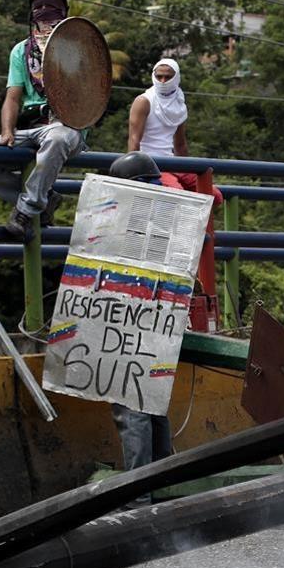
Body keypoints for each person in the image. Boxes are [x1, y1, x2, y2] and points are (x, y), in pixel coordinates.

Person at [0, 0, 85, 243]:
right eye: (39, 6)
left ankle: (26, 210)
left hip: (65, 127)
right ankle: (46, 199)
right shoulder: (22, 51)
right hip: (30, 127)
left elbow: (90, 96)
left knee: (58, 139)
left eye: (51, 6)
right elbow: (12, 97)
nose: (45, 12)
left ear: (64, 12)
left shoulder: (79, 48)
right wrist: (7, 131)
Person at [105, 151, 173, 499]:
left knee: (133, 410)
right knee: (154, 406)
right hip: (159, 323)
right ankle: (163, 489)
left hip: (126, 327)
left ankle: (138, 498)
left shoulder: (113, 225)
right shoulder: (168, 222)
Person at [126, 58, 222, 204]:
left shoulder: (179, 102)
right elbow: (134, 140)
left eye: (168, 77)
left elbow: (180, 144)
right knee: (177, 196)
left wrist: (186, 170)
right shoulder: (144, 101)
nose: (163, 81)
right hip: (151, 165)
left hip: (172, 162)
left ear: (176, 78)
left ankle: (192, 225)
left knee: (215, 197)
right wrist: (135, 175)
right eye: (159, 76)